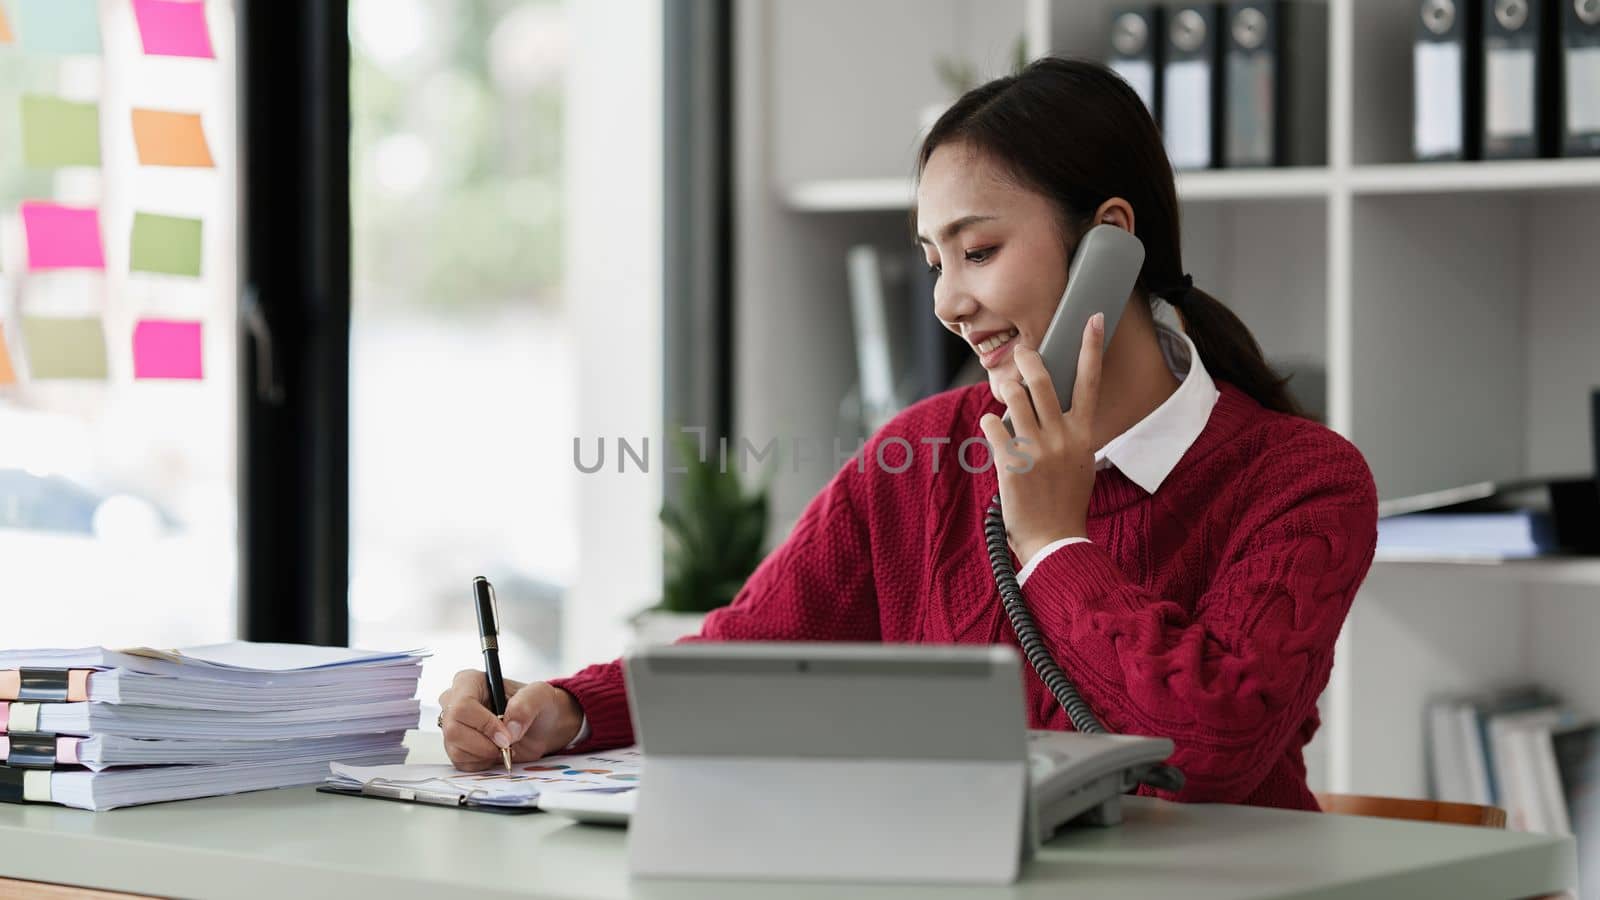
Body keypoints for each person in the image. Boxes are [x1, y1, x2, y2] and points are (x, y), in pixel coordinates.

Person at [438, 57, 1378, 811]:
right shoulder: (923, 454)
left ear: (1110, 240)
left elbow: (1211, 751)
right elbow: (748, 657)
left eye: (979, 251)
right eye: (934, 261)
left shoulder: (1302, 481)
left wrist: (1053, 543)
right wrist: (565, 708)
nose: (949, 302)